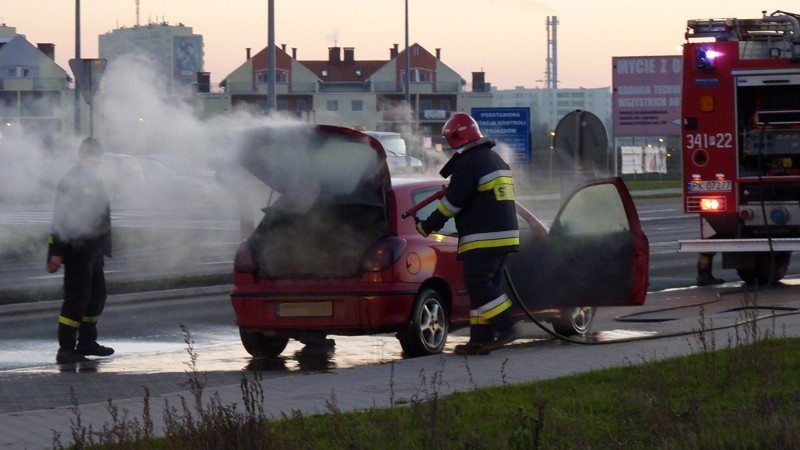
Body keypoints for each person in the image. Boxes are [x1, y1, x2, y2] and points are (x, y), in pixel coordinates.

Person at [415, 113, 520, 355]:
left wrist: (428, 225)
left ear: (456, 137)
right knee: (483, 286)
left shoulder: (470, 163)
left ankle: (506, 326)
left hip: (483, 237)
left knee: (479, 284)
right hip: (505, 235)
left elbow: (452, 204)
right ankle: (480, 339)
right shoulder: (494, 160)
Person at [47, 137, 114, 364]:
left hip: (93, 250)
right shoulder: (71, 180)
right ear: (83, 157)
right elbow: (60, 218)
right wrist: (55, 251)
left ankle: (87, 341)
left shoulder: (95, 181)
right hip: (77, 250)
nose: (98, 161)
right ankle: (65, 349)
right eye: (93, 156)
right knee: (77, 299)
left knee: (97, 297)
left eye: (100, 156)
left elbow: (102, 215)